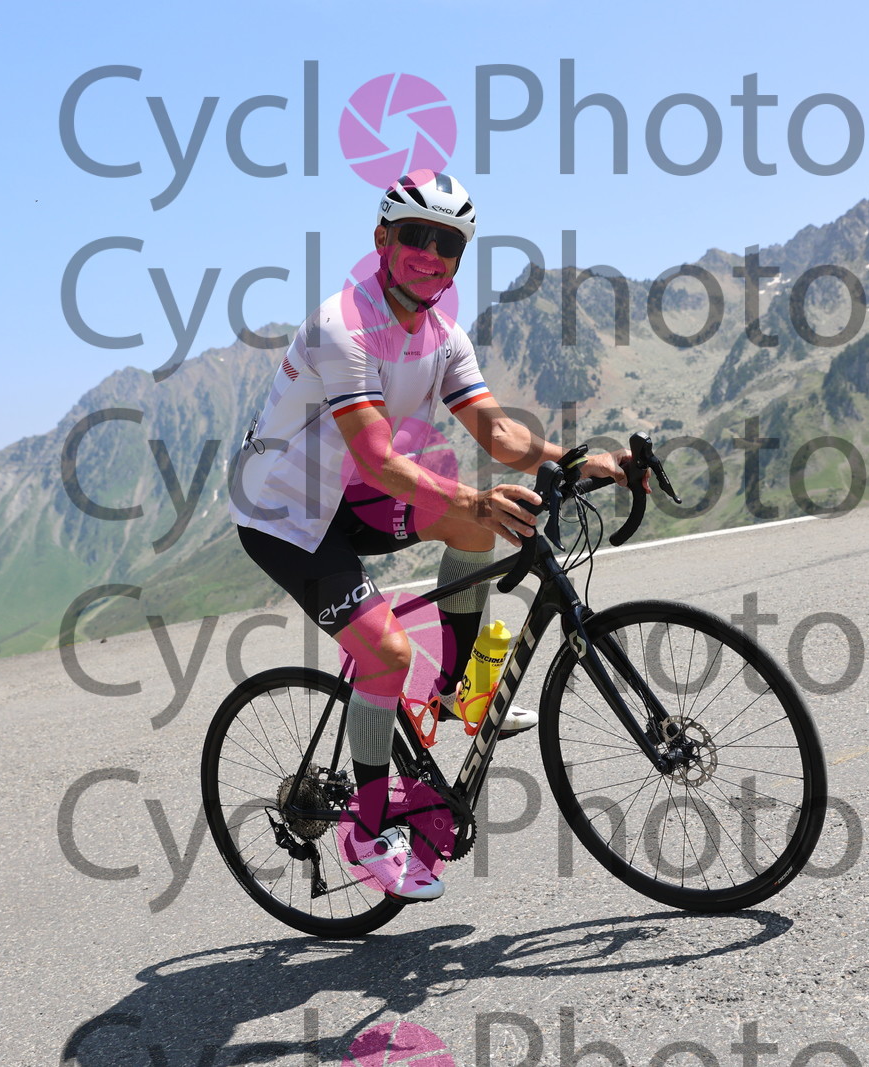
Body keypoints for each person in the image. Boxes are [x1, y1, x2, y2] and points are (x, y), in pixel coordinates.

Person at [229, 170, 636, 902]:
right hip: (285, 515)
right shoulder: (343, 328)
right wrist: (476, 496)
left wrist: (579, 460)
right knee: (386, 653)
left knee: (478, 528)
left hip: (349, 497)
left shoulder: (443, 336)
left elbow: (500, 433)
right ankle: (367, 829)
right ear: (382, 239)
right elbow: (378, 460)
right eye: (416, 236)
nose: (431, 254)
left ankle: (453, 691)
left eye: (448, 244)